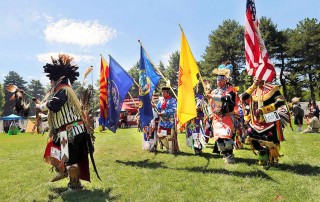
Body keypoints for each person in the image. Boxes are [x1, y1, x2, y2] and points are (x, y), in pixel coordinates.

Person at [35, 54, 94, 190]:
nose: (50, 83)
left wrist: (40, 107)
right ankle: (65, 174)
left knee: (71, 160)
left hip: (69, 133)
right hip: (72, 131)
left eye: (51, 80)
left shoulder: (63, 90)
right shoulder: (67, 90)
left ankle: (75, 186)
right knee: (56, 151)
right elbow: (56, 112)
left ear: (57, 79)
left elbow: (54, 105)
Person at [242, 77, 287, 167]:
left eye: (258, 77)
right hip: (255, 121)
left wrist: (264, 110)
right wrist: (254, 85)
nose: (256, 78)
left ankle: (272, 159)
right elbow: (244, 97)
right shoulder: (253, 89)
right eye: (254, 77)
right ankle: (262, 152)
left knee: (271, 141)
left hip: (270, 119)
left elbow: (281, 101)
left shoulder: (272, 88)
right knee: (251, 137)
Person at [206, 62, 238, 164]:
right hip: (217, 118)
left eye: (221, 80)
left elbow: (227, 99)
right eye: (217, 81)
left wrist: (212, 96)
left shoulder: (230, 90)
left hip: (228, 117)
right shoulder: (214, 91)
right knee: (219, 139)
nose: (219, 82)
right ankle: (224, 154)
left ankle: (230, 154)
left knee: (227, 139)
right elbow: (210, 104)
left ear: (225, 81)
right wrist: (210, 113)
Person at [155, 86, 178, 153]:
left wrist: (164, 112)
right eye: (162, 92)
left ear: (168, 93)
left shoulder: (172, 100)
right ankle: (168, 148)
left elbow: (174, 109)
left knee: (169, 136)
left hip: (169, 121)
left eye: (164, 92)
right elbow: (158, 108)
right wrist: (154, 107)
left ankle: (171, 150)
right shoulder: (161, 100)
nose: (162, 93)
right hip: (162, 121)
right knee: (160, 135)